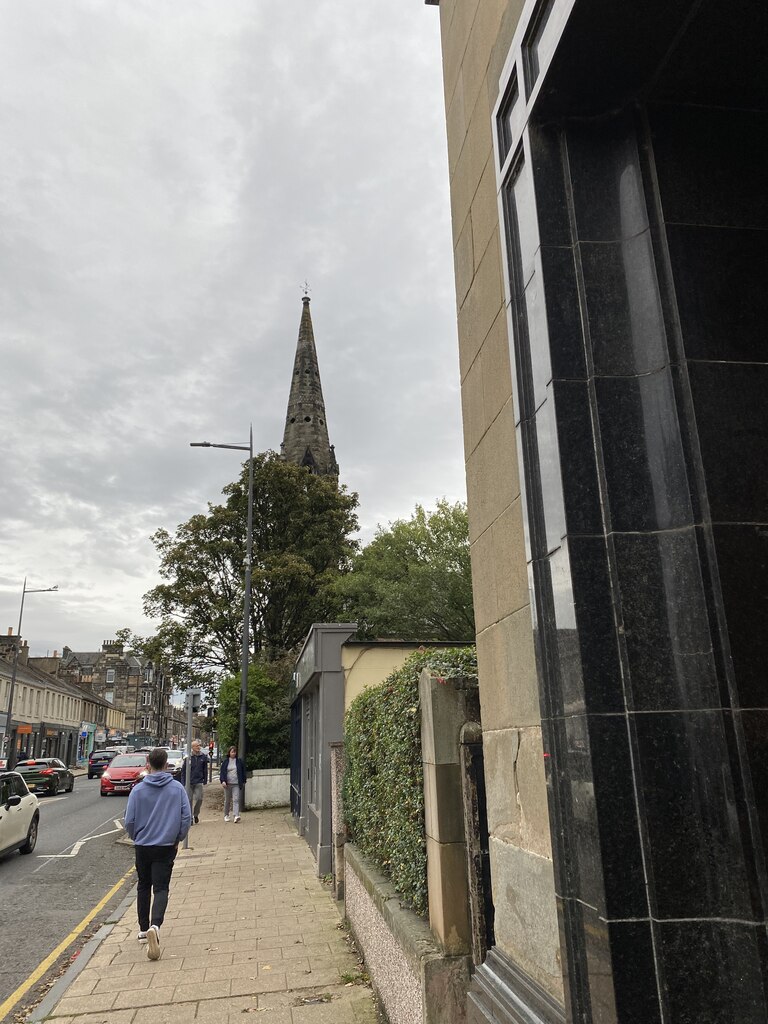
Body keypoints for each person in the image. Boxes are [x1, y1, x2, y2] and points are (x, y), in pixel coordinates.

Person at [124, 747, 191, 960]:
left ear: (148, 764)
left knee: (144, 885)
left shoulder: (138, 790)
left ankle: (144, 930)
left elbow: (130, 821)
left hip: (143, 846)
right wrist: (177, 839)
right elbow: (186, 818)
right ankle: (156, 925)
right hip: (165, 846)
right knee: (161, 888)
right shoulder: (177, 788)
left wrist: (137, 837)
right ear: (165, 764)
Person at [181, 739, 209, 824]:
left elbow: (205, 769)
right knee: (189, 800)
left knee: (199, 799)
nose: (199, 747)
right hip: (189, 782)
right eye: (197, 746)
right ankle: (190, 818)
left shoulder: (203, 757)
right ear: (192, 747)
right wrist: (183, 782)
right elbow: (183, 770)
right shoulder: (188, 757)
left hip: (199, 781)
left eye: (199, 745)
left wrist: (205, 779)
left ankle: (195, 814)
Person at [219, 745, 246, 823]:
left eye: (235, 752)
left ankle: (236, 815)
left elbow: (242, 771)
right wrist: (223, 781)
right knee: (227, 800)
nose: (233, 753)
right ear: (229, 753)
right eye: (232, 752)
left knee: (236, 799)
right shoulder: (225, 762)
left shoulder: (239, 761)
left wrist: (243, 781)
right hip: (227, 784)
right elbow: (222, 772)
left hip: (236, 783)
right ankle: (226, 814)